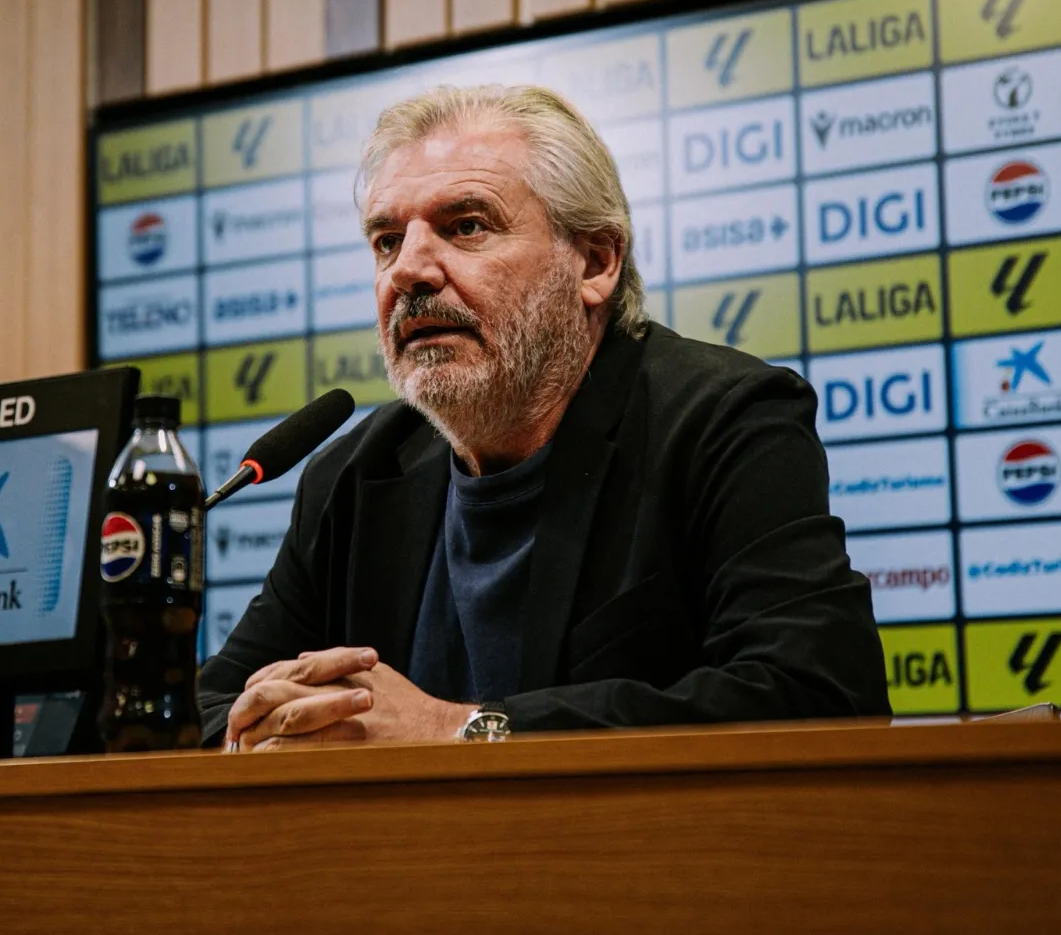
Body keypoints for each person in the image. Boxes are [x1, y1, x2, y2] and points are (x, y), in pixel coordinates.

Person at [203, 85, 889, 751]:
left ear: (595, 262)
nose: (408, 270)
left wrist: (459, 731)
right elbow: (208, 709)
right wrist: (264, 732)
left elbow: (819, 693)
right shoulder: (355, 474)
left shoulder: (724, 420)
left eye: (466, 226)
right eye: (386, 241)